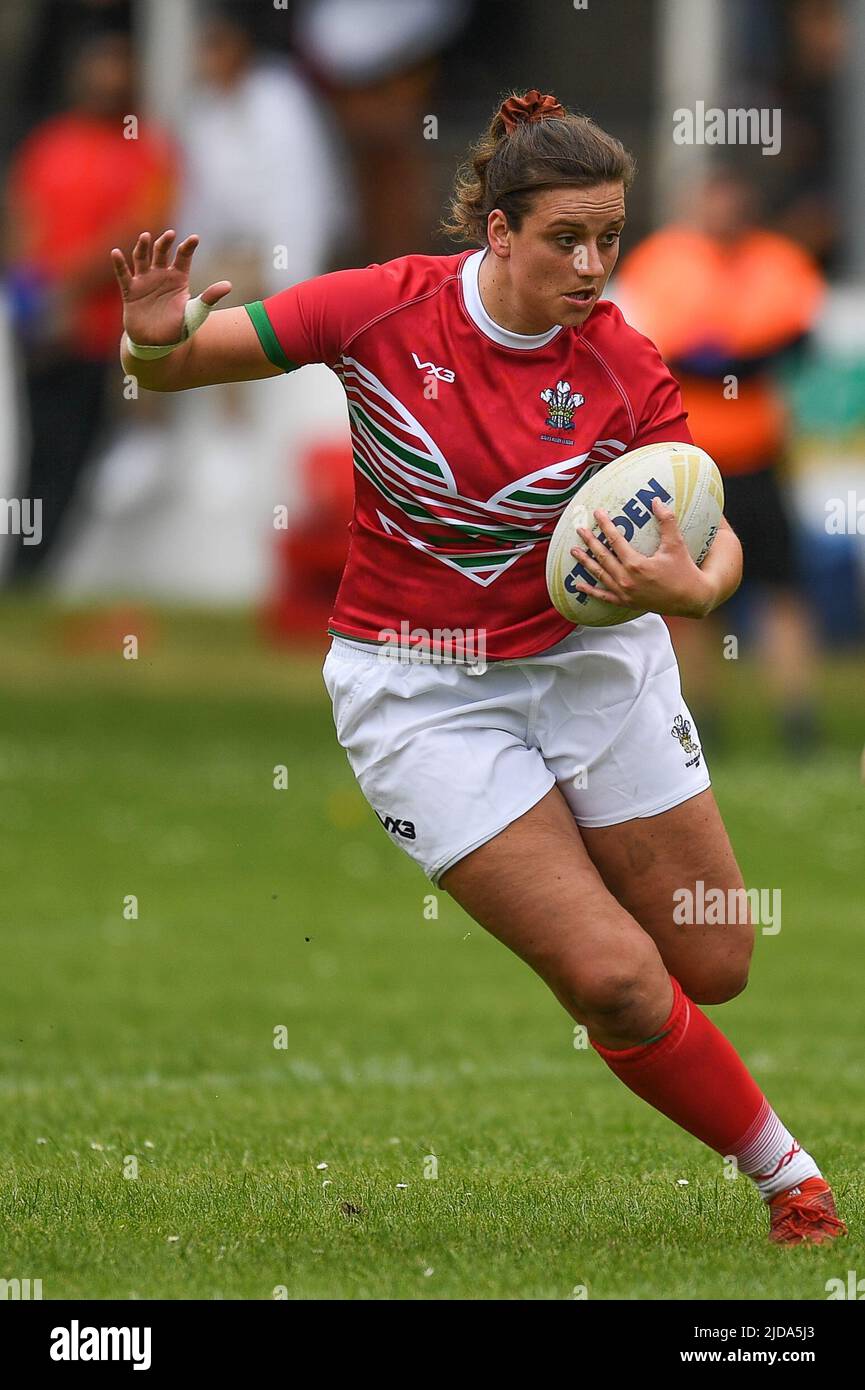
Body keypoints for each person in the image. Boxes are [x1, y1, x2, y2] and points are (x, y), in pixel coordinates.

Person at [111, 89, 846, 1246]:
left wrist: (691, 590)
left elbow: (709, 529)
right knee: (612, 976)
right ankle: (790, 1179)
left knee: (715, 955)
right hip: (420, 692)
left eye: (610, 238)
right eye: (566, 238)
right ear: (496, 232)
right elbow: (176, 366)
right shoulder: (381, 309)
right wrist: (150, 337)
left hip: (594, 669)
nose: (594, 265)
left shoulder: (619, 363)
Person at [614, 168, 826, 752]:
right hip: (686, 462)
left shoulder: (778, 260)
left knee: (781, 586)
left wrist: (725, 356)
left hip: (758, 455)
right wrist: (739, 353)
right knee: (685, 593)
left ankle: (797, 719)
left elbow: (797, 342)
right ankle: (698, 718)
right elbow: (660, 350)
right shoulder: (663, 261)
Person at [4, 28, 175, 581]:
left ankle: (41, 566)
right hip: (44, 328)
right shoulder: (50, 143)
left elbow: (140, 232)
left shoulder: (147, 149)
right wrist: (33, 295)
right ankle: (27, 565)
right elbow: (23, 219)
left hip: (104, 334)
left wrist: (65, 291)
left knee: (78, 453)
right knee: (39, 449)